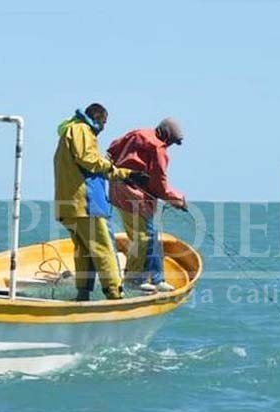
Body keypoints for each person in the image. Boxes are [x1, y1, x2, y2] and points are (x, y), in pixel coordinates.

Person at [53, 103, 149, 301]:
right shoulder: (81, 130)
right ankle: (115, 295)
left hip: (69, 205)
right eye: (104, 122)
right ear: (96, 118)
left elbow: (88, 165)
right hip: (87, 203)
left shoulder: (69, 133)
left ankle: (82, 294)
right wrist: (121, 172)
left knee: (84, 251)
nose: (104, 128)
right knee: (104, 249)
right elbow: (89, 160)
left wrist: (125, 175)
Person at [108, 118, 186, 293]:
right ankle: (133, 279)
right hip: (134, 197)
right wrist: (178, 200)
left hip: (116, 190)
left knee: (152, 236)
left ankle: (158, 279)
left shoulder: (137, 133)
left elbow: (111, 149)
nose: (170, 145)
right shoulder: (158, 148)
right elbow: (160, 184)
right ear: (166, 135)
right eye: (172, 141)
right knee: (143, 237)